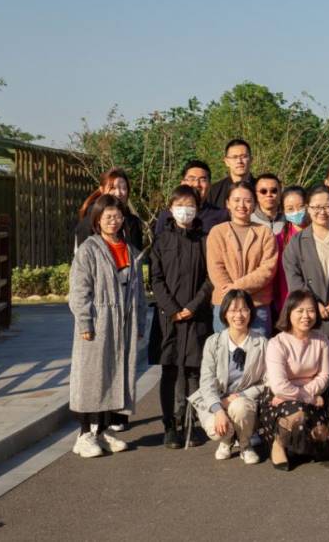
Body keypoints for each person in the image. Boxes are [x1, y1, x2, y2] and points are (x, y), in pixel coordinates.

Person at [68, 195, 146, 458]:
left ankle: (101, 431)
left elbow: (140, 293)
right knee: (92, 378)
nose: (113, 221)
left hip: (124, 323)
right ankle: (84, 435)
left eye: (118, 216)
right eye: (108, 216)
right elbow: (79, 290)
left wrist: (140, 323)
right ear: (97, 220)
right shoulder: (89, 249)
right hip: (99, 321)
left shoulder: (130, 250)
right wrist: (85, 321)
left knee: (114, 377)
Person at [150, 185, 214, 449]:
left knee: (193, 371)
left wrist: (193, 306)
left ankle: (190, 422)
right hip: (169, 317)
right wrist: (173, 308)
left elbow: (210, 278)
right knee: (169, 370)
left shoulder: (205, 240)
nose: (185, 210)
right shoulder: (161, 240)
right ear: (171, 208)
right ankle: (169, 425)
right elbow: (156, 278)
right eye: (180, 205)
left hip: (197, 315)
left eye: (190, 205)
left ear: (197, 208)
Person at [188, 290, 267, 464]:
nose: (239, 315)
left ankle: (245, 444)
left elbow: (266, 381)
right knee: (215, 430)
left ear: (251, 312)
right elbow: (206, 381)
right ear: (224, 313)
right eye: (233, 310)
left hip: (246, 402)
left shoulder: (261, 343)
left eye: (244, 309)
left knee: (240, 407)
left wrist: (240, 396)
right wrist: (218, 409)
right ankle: (227, 441)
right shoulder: (213, 342)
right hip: (217, 399)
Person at [259, 290, 329, 470]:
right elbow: (279, 386)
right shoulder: (277, 343)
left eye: (311, 310)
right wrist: (309, 397)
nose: (306, 316)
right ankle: (278, 443)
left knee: (322, 435)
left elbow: (325, 375)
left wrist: (305, 392)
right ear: (289, 312)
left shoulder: (322, 340)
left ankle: (298, 445)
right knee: (298, 413)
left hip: (309, 394)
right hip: (279, 400)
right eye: (300, 311)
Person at [282, 185, 329, 338]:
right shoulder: (296, 242)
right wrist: (313, 303)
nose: (322, 212)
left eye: (328, 206)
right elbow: (294, 278)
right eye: (316, 207)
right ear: (308, 208)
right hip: (307, 318)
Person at [206, 182, 278, 335]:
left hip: (257, 305)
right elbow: (216, 267)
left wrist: (237, 286)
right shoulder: (217, 232)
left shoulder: (264, 232)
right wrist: (232, 294)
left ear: (254, 204)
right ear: (228, 203)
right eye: (236, 200)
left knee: (258, 348)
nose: (242, 205)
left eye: (248, 200)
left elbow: (268, 269)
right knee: (225, 348)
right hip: (225, 304)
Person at [74, 168, 144, 253]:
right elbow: (82, 258)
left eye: (123, 188)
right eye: (112, 188)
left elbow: (137, 256)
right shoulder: (89, 223)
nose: (118, 193)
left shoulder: (133, 223)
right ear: (102, 190)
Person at [152, 159, 229, 236]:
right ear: (182, 183)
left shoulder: (221, 216)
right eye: (192, 179)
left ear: (209, 185)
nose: (196, 184)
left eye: (202, 180)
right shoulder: (167, 216)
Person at [273, 185, 309, 314]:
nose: (296, 212)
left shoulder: (319, 234)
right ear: (283, 211)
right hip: (288, 301)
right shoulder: (279, 239)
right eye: (290, 209)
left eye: (301, 206)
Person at [208, 139, 253, 208]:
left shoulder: (263, 190)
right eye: (234, 157)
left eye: (244, 156)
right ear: (226, 161)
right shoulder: (214, 191)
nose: (239, 161)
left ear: (251, 159)